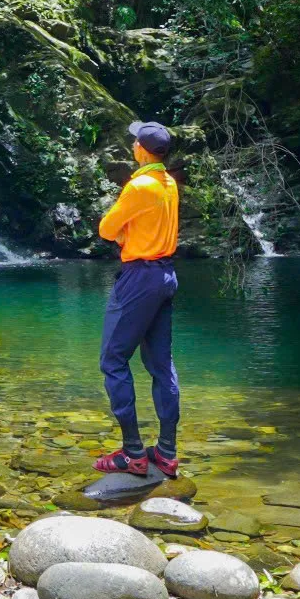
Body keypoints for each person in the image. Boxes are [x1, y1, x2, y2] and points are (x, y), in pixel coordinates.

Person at [93, 120, 180, 478]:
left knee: (113, 360)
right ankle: (167, 453)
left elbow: (106, 229)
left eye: (134, 142)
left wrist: (125, 234)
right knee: (161, 364)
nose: (132, 145)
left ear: (142, 149)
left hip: (139, 278)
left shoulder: (140, 185)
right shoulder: (169, 182)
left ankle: (132, 453)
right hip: (165, 276)